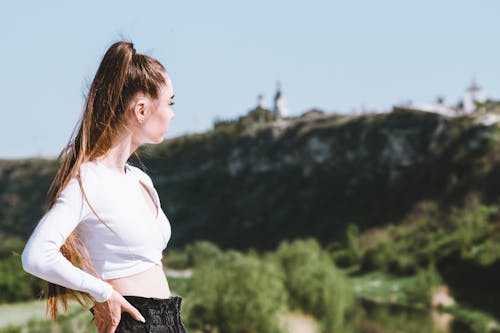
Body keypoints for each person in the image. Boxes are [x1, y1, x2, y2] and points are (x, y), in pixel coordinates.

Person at [21, 40, 188, 333]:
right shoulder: (88, 181)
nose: (172, 113)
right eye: (170, 102)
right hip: (134, 325)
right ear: (141, 110)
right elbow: (36, 255)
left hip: (169, 321)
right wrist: (102, 292)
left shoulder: (139, 179)